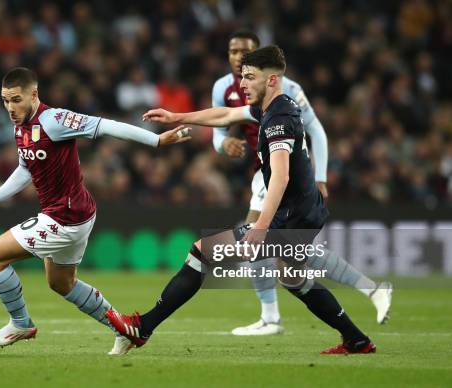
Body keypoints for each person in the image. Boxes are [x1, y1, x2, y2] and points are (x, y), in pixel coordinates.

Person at [107, 46, 376, 354]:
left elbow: (280, 176)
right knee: (293, 277)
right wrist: (177, 116)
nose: (243, 84)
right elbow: (225, 114)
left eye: (249, 77)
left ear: (272, 79)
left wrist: (260, 226)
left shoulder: (278, 121)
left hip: (290, 217)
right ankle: (356, 339)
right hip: (304, 211)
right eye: (242, 77)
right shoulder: (273, 107)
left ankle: (142, 327)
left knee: (201, 252)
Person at [0, 67, 190, 355]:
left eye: (15, 100)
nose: (10, 108)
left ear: (33, 94)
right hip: (75, 214)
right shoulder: (20, 125)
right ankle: (124, 330)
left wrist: (157, 140)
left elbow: (108, 126)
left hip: (64, 217)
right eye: (5, 100)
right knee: (61, 283)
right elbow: (26, 167)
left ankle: (20, 323)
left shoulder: (55, 119)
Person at [206, 29, 392, 335]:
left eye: (246, 52)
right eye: (233, 51)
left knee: (260, 241)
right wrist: (222, 145)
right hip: (263, 172)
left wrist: (319, 177)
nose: (239, 57)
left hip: (285, 170)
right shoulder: (224, 88)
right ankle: (370, 291)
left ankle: (271, 317)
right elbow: (220, 127)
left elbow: (316, 129)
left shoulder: (286, 88)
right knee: (287, 257)